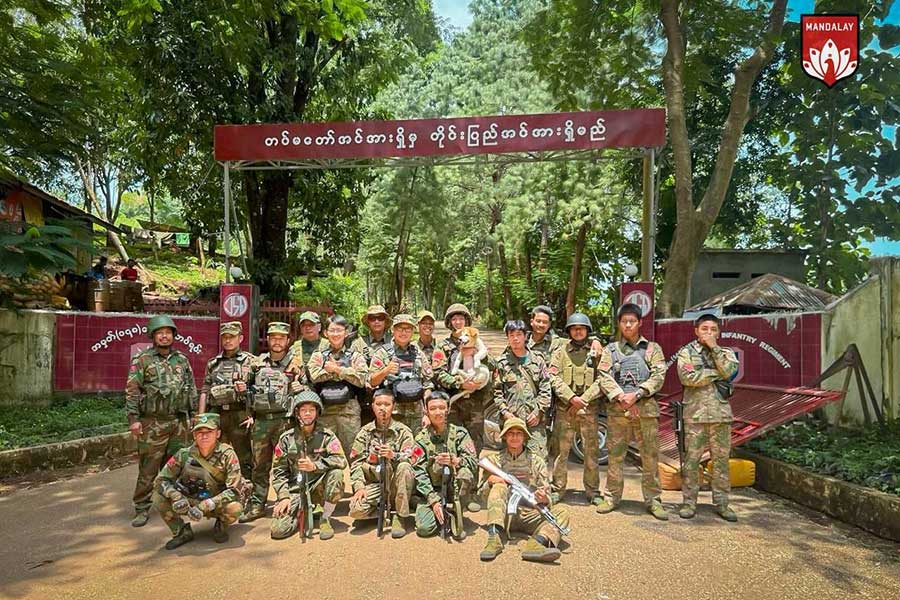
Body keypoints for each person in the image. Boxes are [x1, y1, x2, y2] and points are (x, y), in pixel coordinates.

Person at [596, 303, 669, 520]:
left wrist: (636, 394)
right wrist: (620, 396)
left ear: (640, 323)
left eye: (632, 321)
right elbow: (603, 376)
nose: (628, 325)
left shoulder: (652, 349)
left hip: (645, 411)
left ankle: (654, 500)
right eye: (624, 321)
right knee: (615, 456)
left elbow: (659, 375)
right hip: (618, 412)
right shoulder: (610, 350)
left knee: (650, 457)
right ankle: (611, 497)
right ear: (619, 324)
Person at [126, 314, 197, 527]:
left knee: (176, 466)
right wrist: (133, 420)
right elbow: (132, 391)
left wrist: (193, 416)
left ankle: (172, 501)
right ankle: (141, 507)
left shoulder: (182, 359)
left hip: (177, 423)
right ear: (153, 336)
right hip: (152, 424)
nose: (164, 336)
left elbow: (191, 387)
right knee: (148, 468)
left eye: (168, 333)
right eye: (160, 333)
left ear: (173, 335)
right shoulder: (142, 360)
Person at [676, 313, 740, 522]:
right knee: (691, 461)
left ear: (718, 332)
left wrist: (714, 349)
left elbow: (730, 371)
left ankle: (722, 503)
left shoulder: (726, 353)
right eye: (704, 329)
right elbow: (688, 377)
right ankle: (689, 502)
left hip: (720, 416)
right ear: (696, 331)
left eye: (713, 329)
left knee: (721, 462)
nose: (709, 333)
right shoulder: (686, 353)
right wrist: (715, 374)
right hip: (695, 416)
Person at [479, 417, 571, 563]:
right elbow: (481, 495)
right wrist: (491, 481)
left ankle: (536, 544)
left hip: (529, 514)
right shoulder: (494, 460)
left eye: (519, 433)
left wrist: (544, 498)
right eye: (511, 433)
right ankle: (494, 538)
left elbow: (547, 494)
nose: (515, 437)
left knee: (562, 513)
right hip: (502, 515)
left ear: (525, 437)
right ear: (504, 436)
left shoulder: (537, 461)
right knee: (499, 486)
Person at [151, 413, 245, 549]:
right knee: (157, 497)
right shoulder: (184, 454)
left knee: (235, 508)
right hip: (188, 500)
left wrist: (206, 505)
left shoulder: (227, 455)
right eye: (199, 432)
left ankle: (221, 526)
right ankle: (181, 531)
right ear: (194, 435)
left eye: (209, 432)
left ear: (218, 434)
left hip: (215, 502)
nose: (204, 436)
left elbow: (234, 491)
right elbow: (161, 480)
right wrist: (175, 496)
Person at [240, 322, 299, 523]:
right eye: (273, 337)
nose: (277, 341)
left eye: (281, 338)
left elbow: (305, 390)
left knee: (290, 463)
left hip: (285, 421)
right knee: (260, 465)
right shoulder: (257, 364)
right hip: (262, 422)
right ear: (268, 340)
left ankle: (290, 502)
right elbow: (247, 390)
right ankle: (257, 504)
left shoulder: (295, 363)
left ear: (288, 340)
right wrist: (249, 413)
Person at [270, 391, 347, 541]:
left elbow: (340, 460)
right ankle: (303, 510)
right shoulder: (286, 439)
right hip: (295, 490)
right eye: (303, 410)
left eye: (311, 410)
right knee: (278, 531)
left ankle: (325, 518)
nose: (307, 414)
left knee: (336, 474)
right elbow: (278, 472)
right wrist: (284, 497)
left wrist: (315, 466)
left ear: (317, 412)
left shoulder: (327, 436)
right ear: (297, 413)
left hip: (318, 486)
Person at [548, 312, 602, 505]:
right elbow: (553, 376)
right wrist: (571, 398)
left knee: (591, 452)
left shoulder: (597, 352)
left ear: (587, 330)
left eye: (582, 328)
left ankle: (593, 491)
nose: (578, 331)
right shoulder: (560, 351)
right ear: (569, 331)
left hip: (589, 410)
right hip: (565, 410)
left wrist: (583, 400)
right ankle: (557, 489)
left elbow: (603, 377)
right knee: (561, 453)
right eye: (574, 328)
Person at [347, 388, 417, 538]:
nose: (383, 408)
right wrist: (359, 487)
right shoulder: (365, 433)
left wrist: (394, 455)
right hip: (377, 484)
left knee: (405, 467)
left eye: (387, 404)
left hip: (397, 485)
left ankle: (400, 516)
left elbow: (412, 458)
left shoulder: (403, 431)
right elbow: (356, 463)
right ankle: (379, 513)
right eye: (379, 404)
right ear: (373, 406)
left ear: (394, 406)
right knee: (355, 510)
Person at [411, 392, 478, 539]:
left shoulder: (460, 434)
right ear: (426, 412)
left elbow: (473, 462)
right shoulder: (421, 439)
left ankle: (457, 509)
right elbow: (418, 472)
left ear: (448, 409)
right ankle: (432, 509)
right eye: (433, 408)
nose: (438, 412)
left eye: (442, 407)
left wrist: (456, 461)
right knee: (424, 529)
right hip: (432, 490)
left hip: (454, 487)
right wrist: (433, 501)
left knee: (465, 473)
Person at [198, 321, 255, 480]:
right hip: (217, 415)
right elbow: (204, 390)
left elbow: (257, 391)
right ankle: (217, 491)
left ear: (241, 338)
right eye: (225, 337)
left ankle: (245, 491)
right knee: (215, 455)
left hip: (240, 416)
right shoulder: (213, 363)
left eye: (232, 337)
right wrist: (201, 417)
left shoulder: (251, 362)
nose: (228, 340)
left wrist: (253, 415)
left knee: (244, 458)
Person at [431, 303, 490, 455]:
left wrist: (478, 354)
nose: (458, 322)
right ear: (449, 322)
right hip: (453, 404)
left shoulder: (476, 342)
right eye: (454, 319)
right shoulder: (443, 346)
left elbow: (490, 366)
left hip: (475, 405)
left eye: (461, 318)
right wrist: (460, 383)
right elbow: (438, 373)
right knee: (451, 446)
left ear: (467, 321)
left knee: (475, 447)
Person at [308, 314, 368, 459]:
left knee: (353, 455)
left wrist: (336, 370)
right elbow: (314, 376)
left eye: (339, 330)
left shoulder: (355, 356)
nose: (336, 334)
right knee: (323, 454)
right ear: (325, 333)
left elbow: (361, 378)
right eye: (332, 330)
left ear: (346, 332)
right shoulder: (318, 356)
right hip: (325, 413)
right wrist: (347, 373)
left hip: (349, 413)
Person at [492, 320, 552, 455]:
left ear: (525, 336)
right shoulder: (502, 363)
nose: (515, 338)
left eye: (519, 334)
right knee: (510, 463)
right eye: (511, 335)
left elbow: (546, 389)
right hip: (511, 423)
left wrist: (538, 411)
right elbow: (497, 393)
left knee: (538, 460)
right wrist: (506, 413)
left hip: (534, 423)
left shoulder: (538, 361)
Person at [367, 314, 433, 433]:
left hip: (417, 413)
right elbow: (372, 381)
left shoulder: (418, 353)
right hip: (392, 414)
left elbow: (427, 384)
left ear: (413, 331)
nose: (404, 332)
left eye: (408, 329)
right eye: (400, 328)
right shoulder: (382, 353)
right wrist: (386, 371)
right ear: (393, 330)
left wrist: (426, 413)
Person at [287, 310, 326, 377]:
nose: (307, 328)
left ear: (319, 327)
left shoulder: (328, 346)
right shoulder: (295, 348)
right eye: (304, 325)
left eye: (311, 324)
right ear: (301, 328)